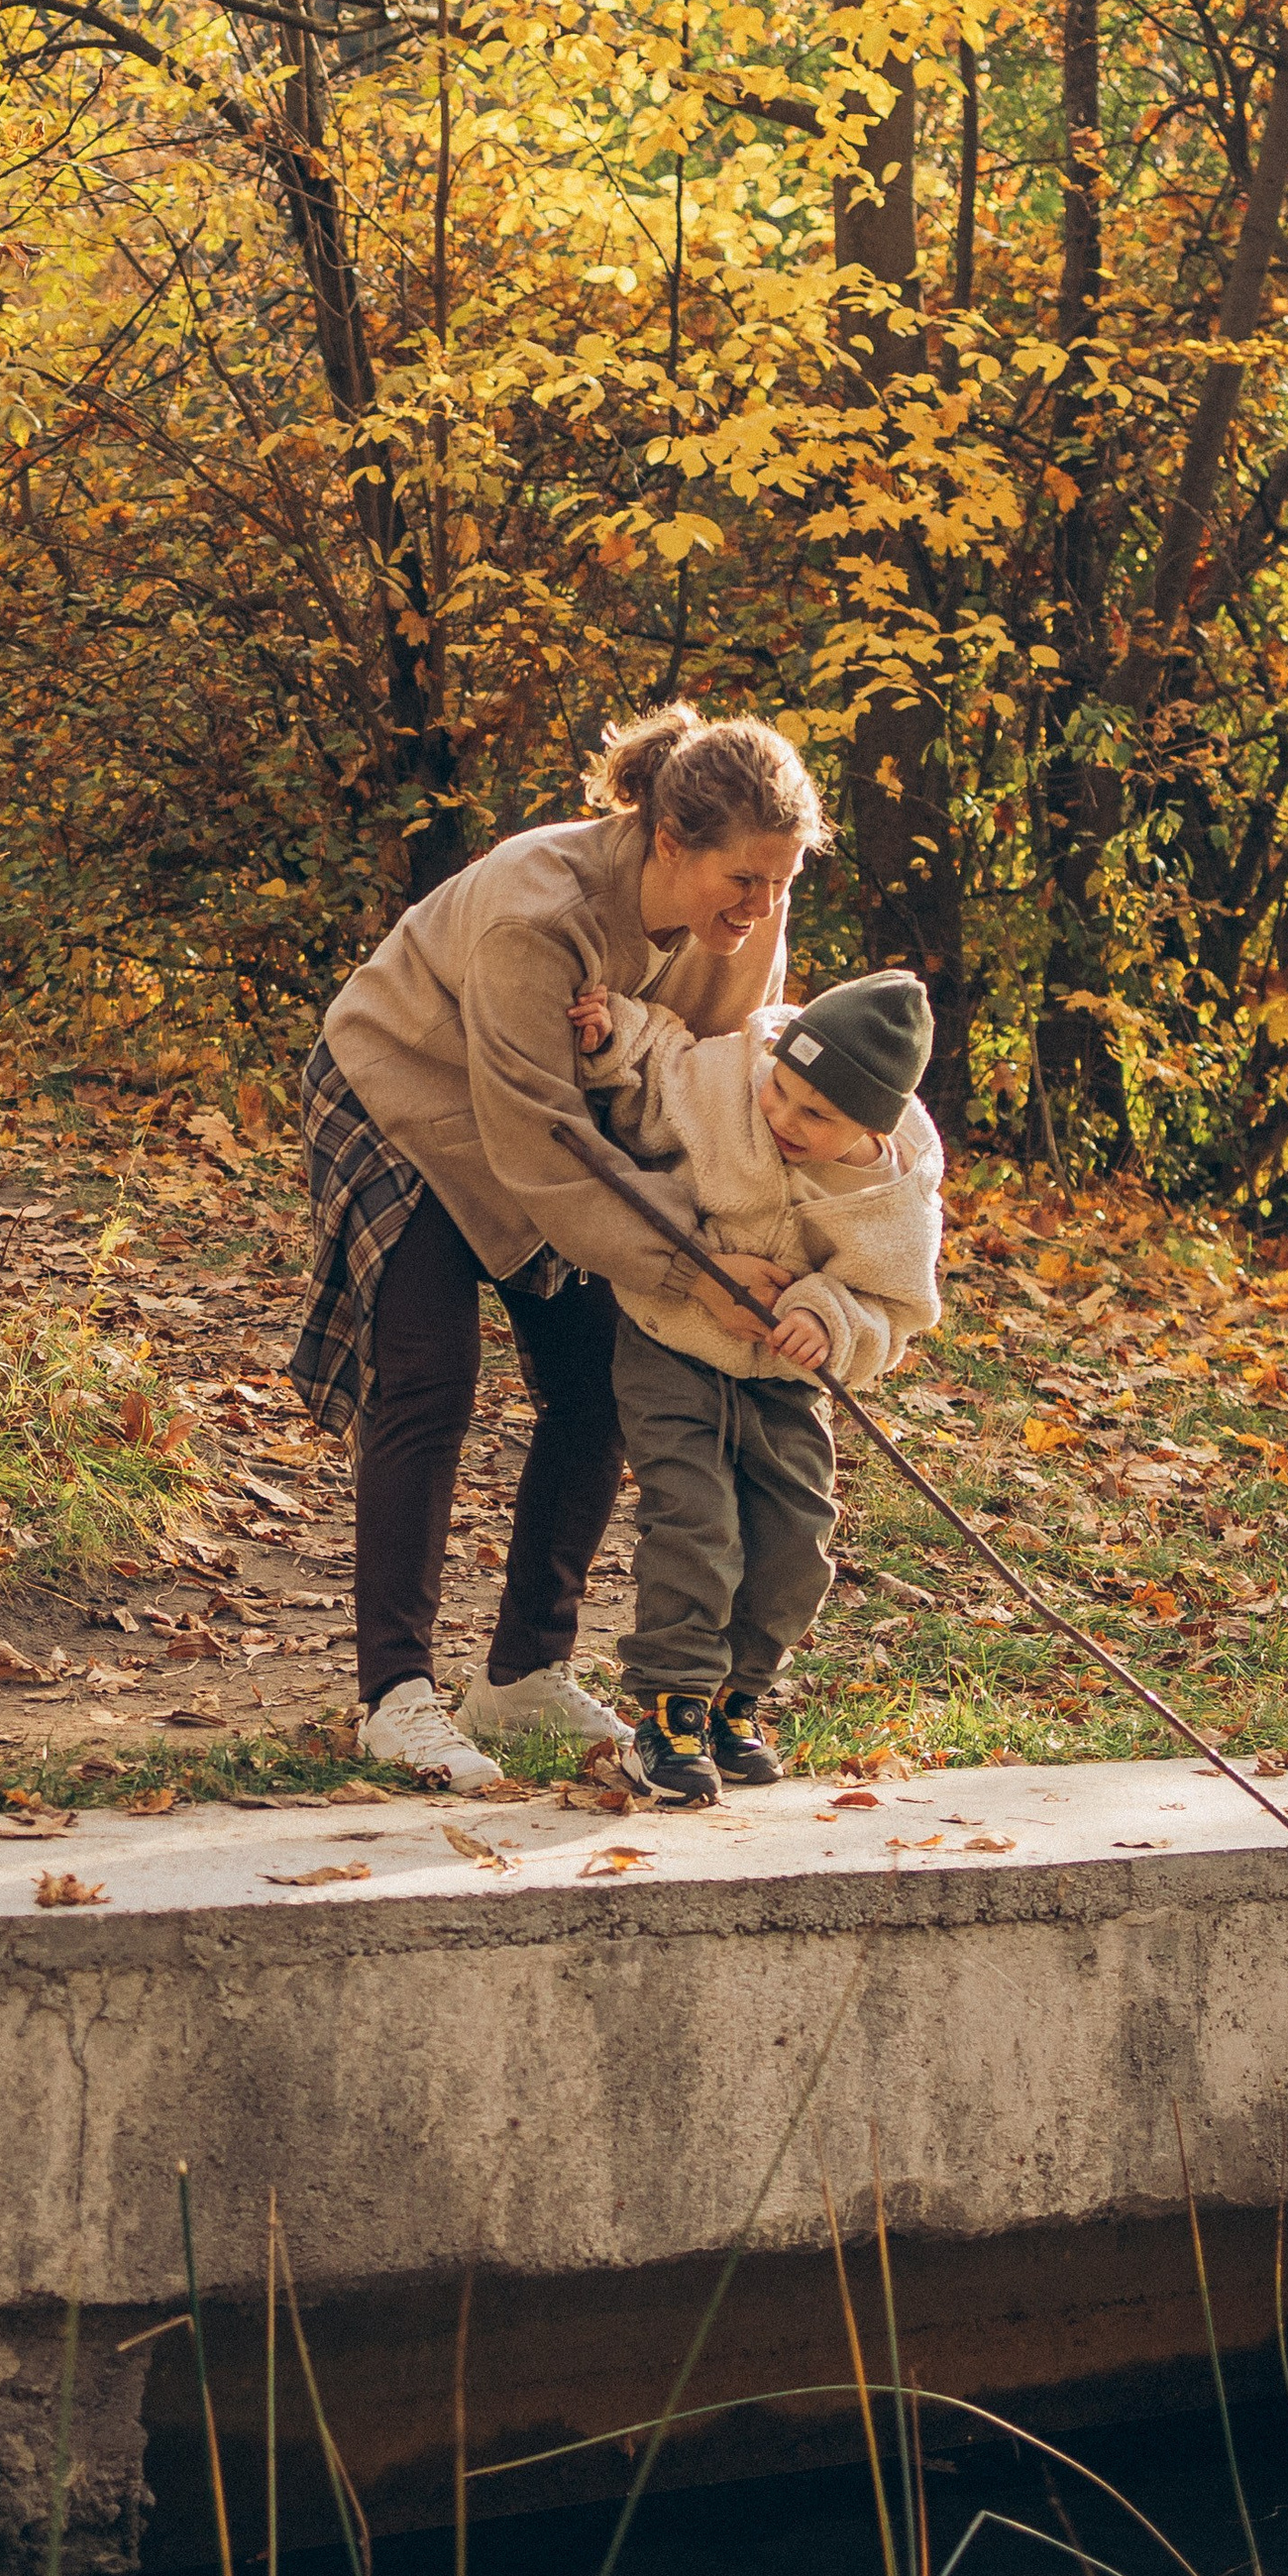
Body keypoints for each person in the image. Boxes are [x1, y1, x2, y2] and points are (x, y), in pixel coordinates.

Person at [292, 704, 832, 1791]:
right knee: (430, 1379)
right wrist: (689, 1268)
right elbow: (539, 1137)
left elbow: (717, 1092)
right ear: (669, 842)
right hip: (404, 1088)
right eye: (744, 880)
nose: (764, 906)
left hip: (568, 1134)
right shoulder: (537, 913)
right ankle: (393, 1696)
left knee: (601, 1383)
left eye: (782, 881)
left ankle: (524, 1669)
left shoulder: (748, 912)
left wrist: (741, 1249)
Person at [565, 966, 943, 1805]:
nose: (784, 1118)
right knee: (695, 1524)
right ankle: (670, 1712)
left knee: (795, 1542)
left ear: (869, 1126)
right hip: (673, 1342)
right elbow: (662, 1062)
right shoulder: (732, 1082)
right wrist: (610, 1035)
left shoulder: (893, 1195)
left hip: (784, 1382)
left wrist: (831, 1319)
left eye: (818, 1115)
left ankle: (737, 1702)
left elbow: (897, 1307)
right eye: (784, 1092)